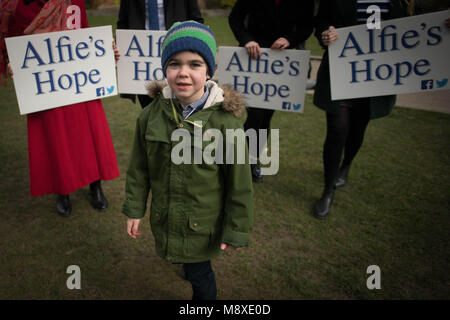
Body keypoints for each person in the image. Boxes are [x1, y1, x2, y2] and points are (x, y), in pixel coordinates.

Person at [122, 21, 254, 300]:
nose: (183, 73)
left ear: (210, 71)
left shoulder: (226, 124)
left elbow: (239, 183)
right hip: (167, 217)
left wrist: (237, 228)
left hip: (203, 223)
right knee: (188, 262)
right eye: (174, 63)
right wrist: (134, 208)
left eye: (194, 64)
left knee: (199, 274)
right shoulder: (149, 116)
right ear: (164, 69)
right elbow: (138, 169)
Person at [311, 0, 445, 219]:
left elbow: (419, 24)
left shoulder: (402, 1)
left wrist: (441, 25)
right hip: (341, 70)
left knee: (358, 127)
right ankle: (328, 190)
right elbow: (321, 22)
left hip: (377, 75)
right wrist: (325, 34)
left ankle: (346, 164)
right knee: (337, 129)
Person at [0, 0, 120, 217]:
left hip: (79, 80)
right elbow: (15, 45)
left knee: (88, 135)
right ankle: (62, 191)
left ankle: (95, 185)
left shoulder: (74, 0)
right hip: (45, 85)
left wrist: (102, 48)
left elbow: (84, 32)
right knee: (56, 139)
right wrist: (12, 62)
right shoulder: (18, 6)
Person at [228, 0, 315, 182]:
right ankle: (242, 163)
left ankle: (251, 160)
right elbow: (235, 18)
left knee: (265, 117)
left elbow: (307, 26)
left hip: (281, 64)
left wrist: (289, 39)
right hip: (251, 61)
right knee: (255, 115)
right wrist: (247, 40)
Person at [117, 0, 204, 109]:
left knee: (178, 107)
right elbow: (123, 22)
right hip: (142, 58)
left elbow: (196, 20)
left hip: (176, 51)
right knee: (149, 111)